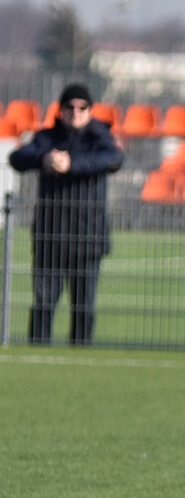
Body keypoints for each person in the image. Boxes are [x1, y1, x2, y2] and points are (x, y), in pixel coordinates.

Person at [8, 83, 124, 345]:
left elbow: (113, 159)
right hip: (50, 237)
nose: (76, 112)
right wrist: (43, 160)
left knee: (84, 307)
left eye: (82, 107)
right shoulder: (47, 138)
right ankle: (38, 350)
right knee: (44, 303)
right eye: (69, 106)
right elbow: (18, 158)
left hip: (88, 238)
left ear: (91, 110)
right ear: (60, 110)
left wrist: (71, 164)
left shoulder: (100, 137)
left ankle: (81, 353)